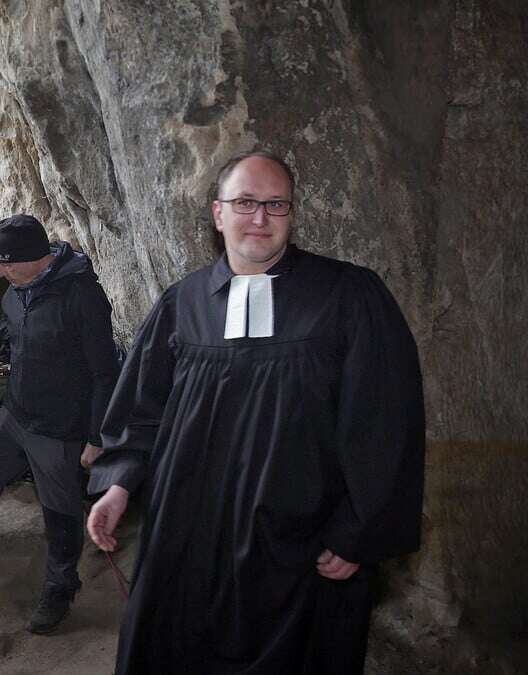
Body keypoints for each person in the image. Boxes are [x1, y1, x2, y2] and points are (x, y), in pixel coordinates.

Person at [86, 151, 426, 674]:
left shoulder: (349, 296)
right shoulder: (183, 303)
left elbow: (385, 424)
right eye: (245, 202)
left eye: (276, 204)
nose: (260, 218)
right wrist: (119, 484)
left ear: (293, 214)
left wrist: (360, 530)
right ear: (217, 214)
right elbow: (141, 410)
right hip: (189, 543)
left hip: (302, 548)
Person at [0, 214, 118, 635]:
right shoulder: (16, 294)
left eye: (6, 263)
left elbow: (105, 372)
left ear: (37, 259)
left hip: (60, 425)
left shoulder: (82, 297)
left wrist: (95, 435)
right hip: (16, 411)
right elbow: (21, 339)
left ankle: (60, 586)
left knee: (60, 510)